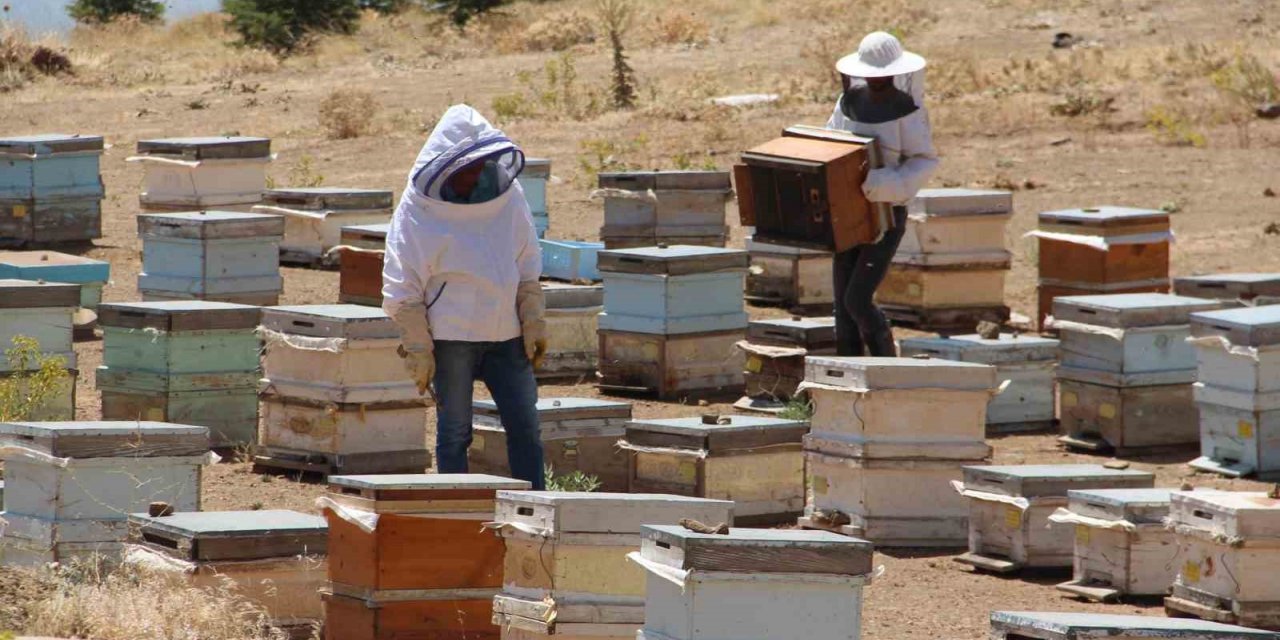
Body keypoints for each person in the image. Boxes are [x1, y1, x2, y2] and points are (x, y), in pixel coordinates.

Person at [382, 104, 547, 489]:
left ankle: (537, 508)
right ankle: (456, 507)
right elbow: (403, 282)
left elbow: (527, 260)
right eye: (463, 169)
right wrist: (418, 347)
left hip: (507, 333)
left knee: (526, 427)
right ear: (443, 168)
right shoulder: (418, 208)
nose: (472, 176)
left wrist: (533, 317)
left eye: (477, 167)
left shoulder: (507, 197)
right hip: (451, 336)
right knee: (455, 432)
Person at [826, 31, 939, 357]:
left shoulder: (909, 111)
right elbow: (829, 142)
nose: (877, 81)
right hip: (848, 213)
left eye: (883, 75)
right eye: (872, 75)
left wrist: (883, 183)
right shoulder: (847, 103)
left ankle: (887, 364)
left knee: (857, 300)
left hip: (886, 216)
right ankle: (846, 372)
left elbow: (924, 161)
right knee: (842, 306)